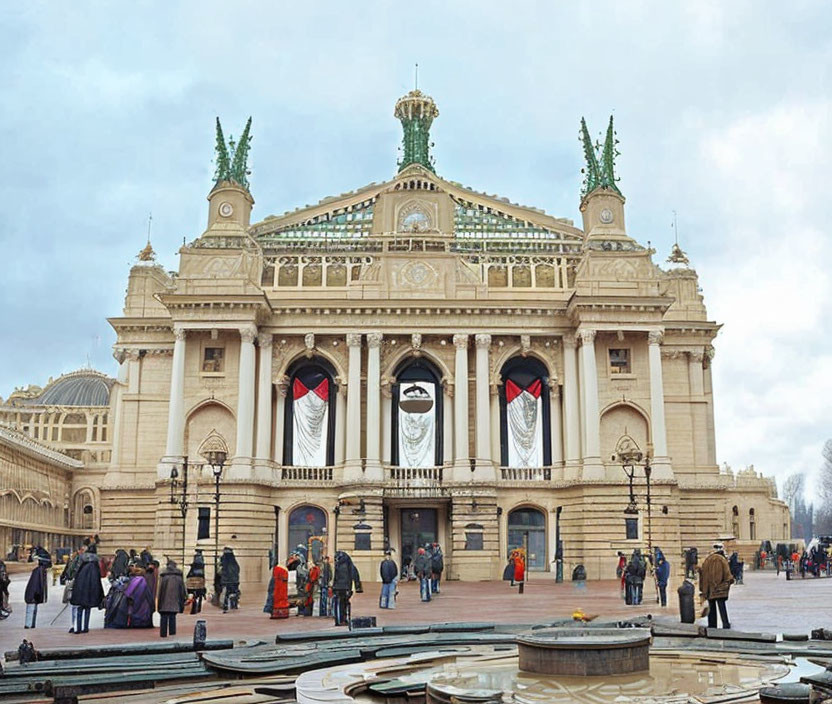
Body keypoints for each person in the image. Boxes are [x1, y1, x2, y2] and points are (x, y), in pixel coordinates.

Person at [70, 542, 104, 634]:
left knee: (80, 607)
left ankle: (78, 627)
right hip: (91, 585)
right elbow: (99, 574)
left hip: (81, 583)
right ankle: (86, 627)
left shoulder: (82, 557)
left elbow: (76, 569)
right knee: (88, 607)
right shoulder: (96, 560)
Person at [698, 542, 733, 629]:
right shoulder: (722, 560)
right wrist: (728, 582)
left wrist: (703, 588)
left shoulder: (707, 560)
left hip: (709, 589)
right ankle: (725, 623)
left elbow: (702, 575)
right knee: (722, 607)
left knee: (712, 607)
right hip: (720, 588)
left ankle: (712, 624)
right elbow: (727, 574)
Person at [157, 559, 186, 638]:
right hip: (175, 601)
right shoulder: (179, 577)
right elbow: (182, 591)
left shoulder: (163, 577)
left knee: (163, 617)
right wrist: (182, 600)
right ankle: (172, 634)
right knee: (172, 617)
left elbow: (160, 591)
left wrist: (159, 603)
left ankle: (163, 634)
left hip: (164, 601)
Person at [23, 548, 51, 629]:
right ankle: (30, 624)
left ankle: (29, 624)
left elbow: (34, 584)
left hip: (33, 594)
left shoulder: (38, 570)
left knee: (31, 608)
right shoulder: (40, 571)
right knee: (32, 608)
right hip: (34, 594)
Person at [332, 550, 361, 626]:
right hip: (346, 587)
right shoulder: (349, 563)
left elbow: (335, 577)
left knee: (338, 604)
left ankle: (338, 620)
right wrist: (358, 587)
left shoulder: (337, 564)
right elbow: (355, 574)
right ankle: (343, 619)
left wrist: (333, 587)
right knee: (344, 603)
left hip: (337, 587)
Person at [220, 547, 240, 612]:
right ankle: (234, 604)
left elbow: (223, 570)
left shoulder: (224, 561)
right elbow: (237, 569)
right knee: (234, 591)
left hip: (227, 580)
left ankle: (225, 606)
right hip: (234, 580)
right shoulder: (234, 561)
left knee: (226, 593)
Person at [186, 549, 206, 614]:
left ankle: (193, 609)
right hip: (200, 578)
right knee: (199, 595)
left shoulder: (196, 559)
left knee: (194, 595)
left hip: (193, 578)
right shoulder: (201, 561)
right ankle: (198, 608)